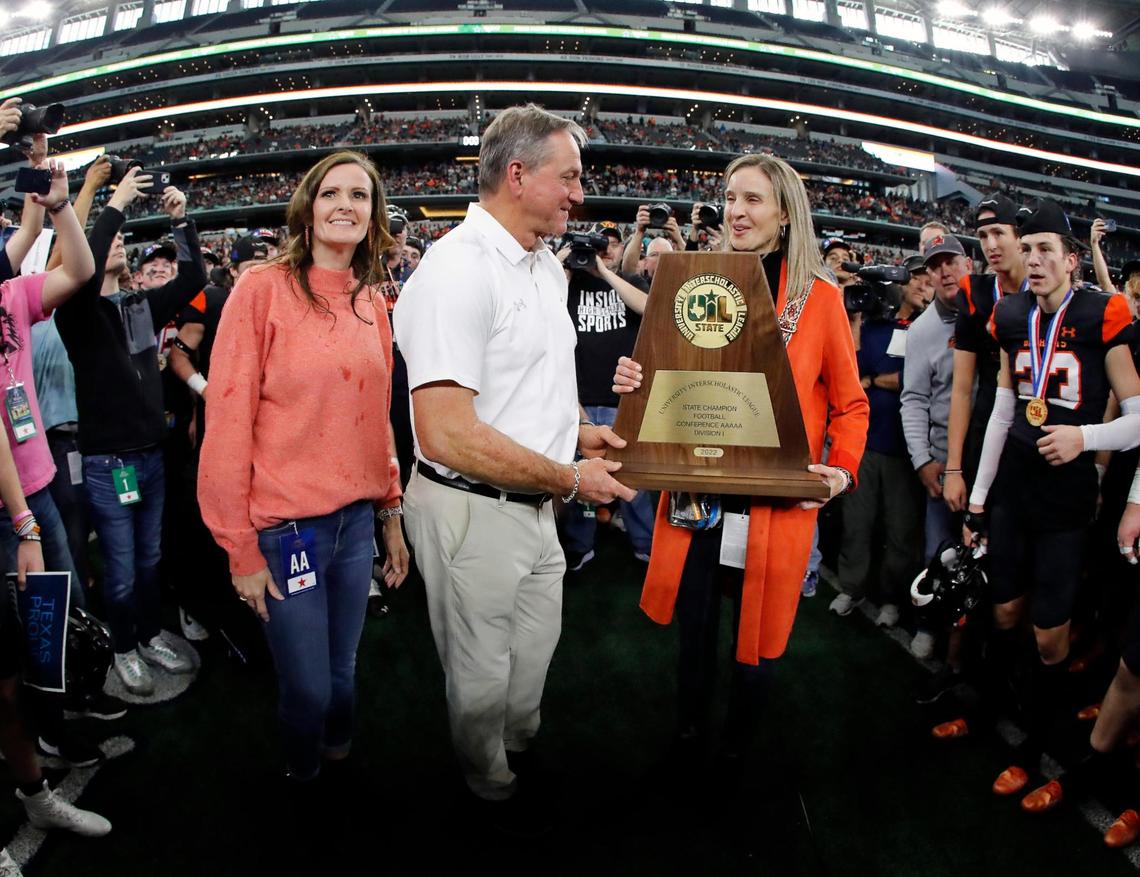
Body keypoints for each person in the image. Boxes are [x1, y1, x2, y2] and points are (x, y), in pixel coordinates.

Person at [394, 104, 634, 830]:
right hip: (472, 504)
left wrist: (579, 438)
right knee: (480, 667)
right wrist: (567, 476)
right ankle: (484, 774)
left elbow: (528, 390)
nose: (579, 195)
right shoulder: (455, 270)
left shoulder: (541, 267)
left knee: (532, 653)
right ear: (518, 174)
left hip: (536, 499)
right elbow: (444, 432)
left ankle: (514, 744)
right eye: (570, 177)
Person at [613, 153, 868, 773]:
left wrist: (839, 471)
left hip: (774, 502)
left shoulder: (823, 301)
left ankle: (736, 752)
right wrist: (636, 380)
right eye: (730, 197)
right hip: (698, 496)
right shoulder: (696, 280)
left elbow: (852, 405)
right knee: (695, 633)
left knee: (756, 641)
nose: (736, 210)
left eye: (753, 199)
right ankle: (689, 735)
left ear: (784, 212)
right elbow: (674, 377)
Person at [199, 151, 409, 788]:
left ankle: (336, 764)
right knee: (310, 688)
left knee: (343, 673)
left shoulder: (373, 301)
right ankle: (302, 773)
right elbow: (227, 421)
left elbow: (377, 419)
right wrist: (239, 550)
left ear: (374, 216)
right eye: (331, 193)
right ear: (308, 207)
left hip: (354, 525)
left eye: (360, 195)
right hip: (286, 530)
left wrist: (391, 514)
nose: (345, 205)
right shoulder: (260, 290)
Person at [962, 199, 1140, 805]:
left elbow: (1138, 420)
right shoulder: (1010, 314)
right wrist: (979, 497)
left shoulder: (1102, 313)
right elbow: (1004, 412)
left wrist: (1085, 439)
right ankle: (989, 714)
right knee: (1004, 612)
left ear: (1071, 259)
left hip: (1066, 496)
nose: (1034, 259)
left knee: (1049, 637)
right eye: (1028, 247)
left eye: (1046, 250)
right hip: (1014, 484)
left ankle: (1035, 746)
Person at [55, 168, 206, 696]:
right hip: (109, 465)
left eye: (120, 236)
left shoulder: (139, 304)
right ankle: (122, 648)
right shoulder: (77, 313)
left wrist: (181, 219)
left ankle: (145, 634)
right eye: (108, 238)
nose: (116, 241)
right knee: (119, 570)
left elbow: (192, 281)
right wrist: (114, 201)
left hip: (150, 456)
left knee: (148, 561)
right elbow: (82, 269)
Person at [831, 255, 927, 627]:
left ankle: (892, 599)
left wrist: (874, 380)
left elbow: (914, 380)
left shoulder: (928, 328)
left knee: (901, 530)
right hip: (866, 442)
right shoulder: (873, 324)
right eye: (917, 279)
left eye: (927, 282)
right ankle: (851, 587)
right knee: (857, 521)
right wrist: (854, 319)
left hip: (906, 447)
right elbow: (852, 370)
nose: (923, 286)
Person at [560, 221, 654, 570]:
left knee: (631, 479)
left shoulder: (629, 280)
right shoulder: (570, 282)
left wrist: (601, 269)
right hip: (580, 401)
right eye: (600, 245)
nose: (606, 250)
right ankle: (578, 545)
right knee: (580, 479)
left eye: (612, 244)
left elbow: (648, 306)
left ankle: (645, 542)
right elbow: (541, 296)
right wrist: (565, 261)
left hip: (624, 401)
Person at [899, 233, 972, 658]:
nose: (945, 270)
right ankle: (930, 625)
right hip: (943, 459)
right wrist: (922, 459)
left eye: (952, 261)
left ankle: (970, 644)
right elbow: (914, 399)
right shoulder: (924, 330)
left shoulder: (995, 311)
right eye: (936, 264)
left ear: (968, 265)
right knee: (938, 552)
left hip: (986, 456)